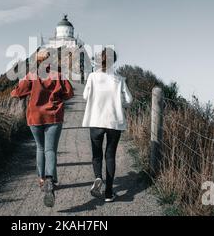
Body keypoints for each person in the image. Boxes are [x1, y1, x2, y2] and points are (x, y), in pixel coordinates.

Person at [11, 48, 74, 207]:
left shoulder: (32, 74)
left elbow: (18, 93)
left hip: (35, 116)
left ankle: (41, 179)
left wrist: (17, 90)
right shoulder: (58, 74)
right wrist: (57, 98)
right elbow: (69, 93)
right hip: (53, 115)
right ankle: (50, 179)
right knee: (50, 149)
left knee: (40, 148)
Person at [82, 47, 133, 202]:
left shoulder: (92, 76)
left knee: (97, 155)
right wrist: (119, 103)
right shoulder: (119, 79)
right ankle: (109, 193)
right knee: (110, 156)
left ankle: (98, 178)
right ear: (114, 61)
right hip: (114, 122)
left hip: (96, 121)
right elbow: (129, 100)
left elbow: (85, 96)